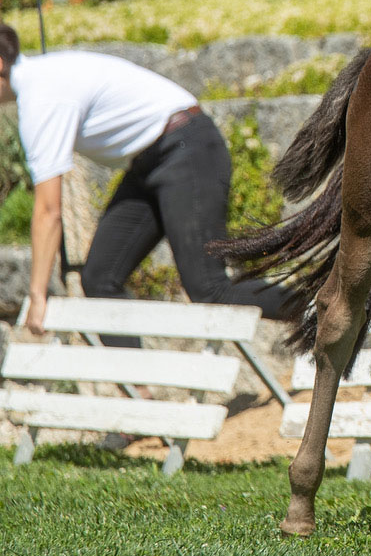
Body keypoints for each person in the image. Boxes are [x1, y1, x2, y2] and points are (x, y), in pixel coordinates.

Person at [0, 23, 297, 345]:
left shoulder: (41, 98)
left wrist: (37, 295)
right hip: (150, 161)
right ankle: (138, 390)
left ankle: (323, 309)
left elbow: (48, 211)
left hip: (186, 148)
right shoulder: (44, 80)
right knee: (99, 279)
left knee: (209, 288)